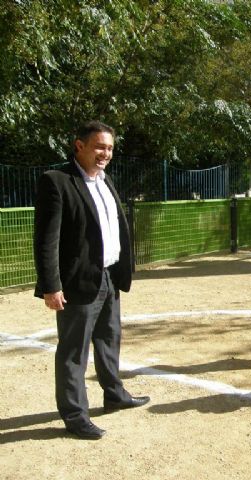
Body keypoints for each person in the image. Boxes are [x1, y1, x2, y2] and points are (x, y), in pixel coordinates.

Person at [33, 120, 149, 440]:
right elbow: (46, 240)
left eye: (110, 148)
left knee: (109, 339)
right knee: (74, 351)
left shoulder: (105, 179)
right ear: (79, 146)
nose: (105, 153)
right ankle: (75, 415)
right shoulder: (57, 181)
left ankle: (114, 395)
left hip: (109, 276)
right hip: (78, 282)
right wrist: (51, 286)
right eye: (99, 146)